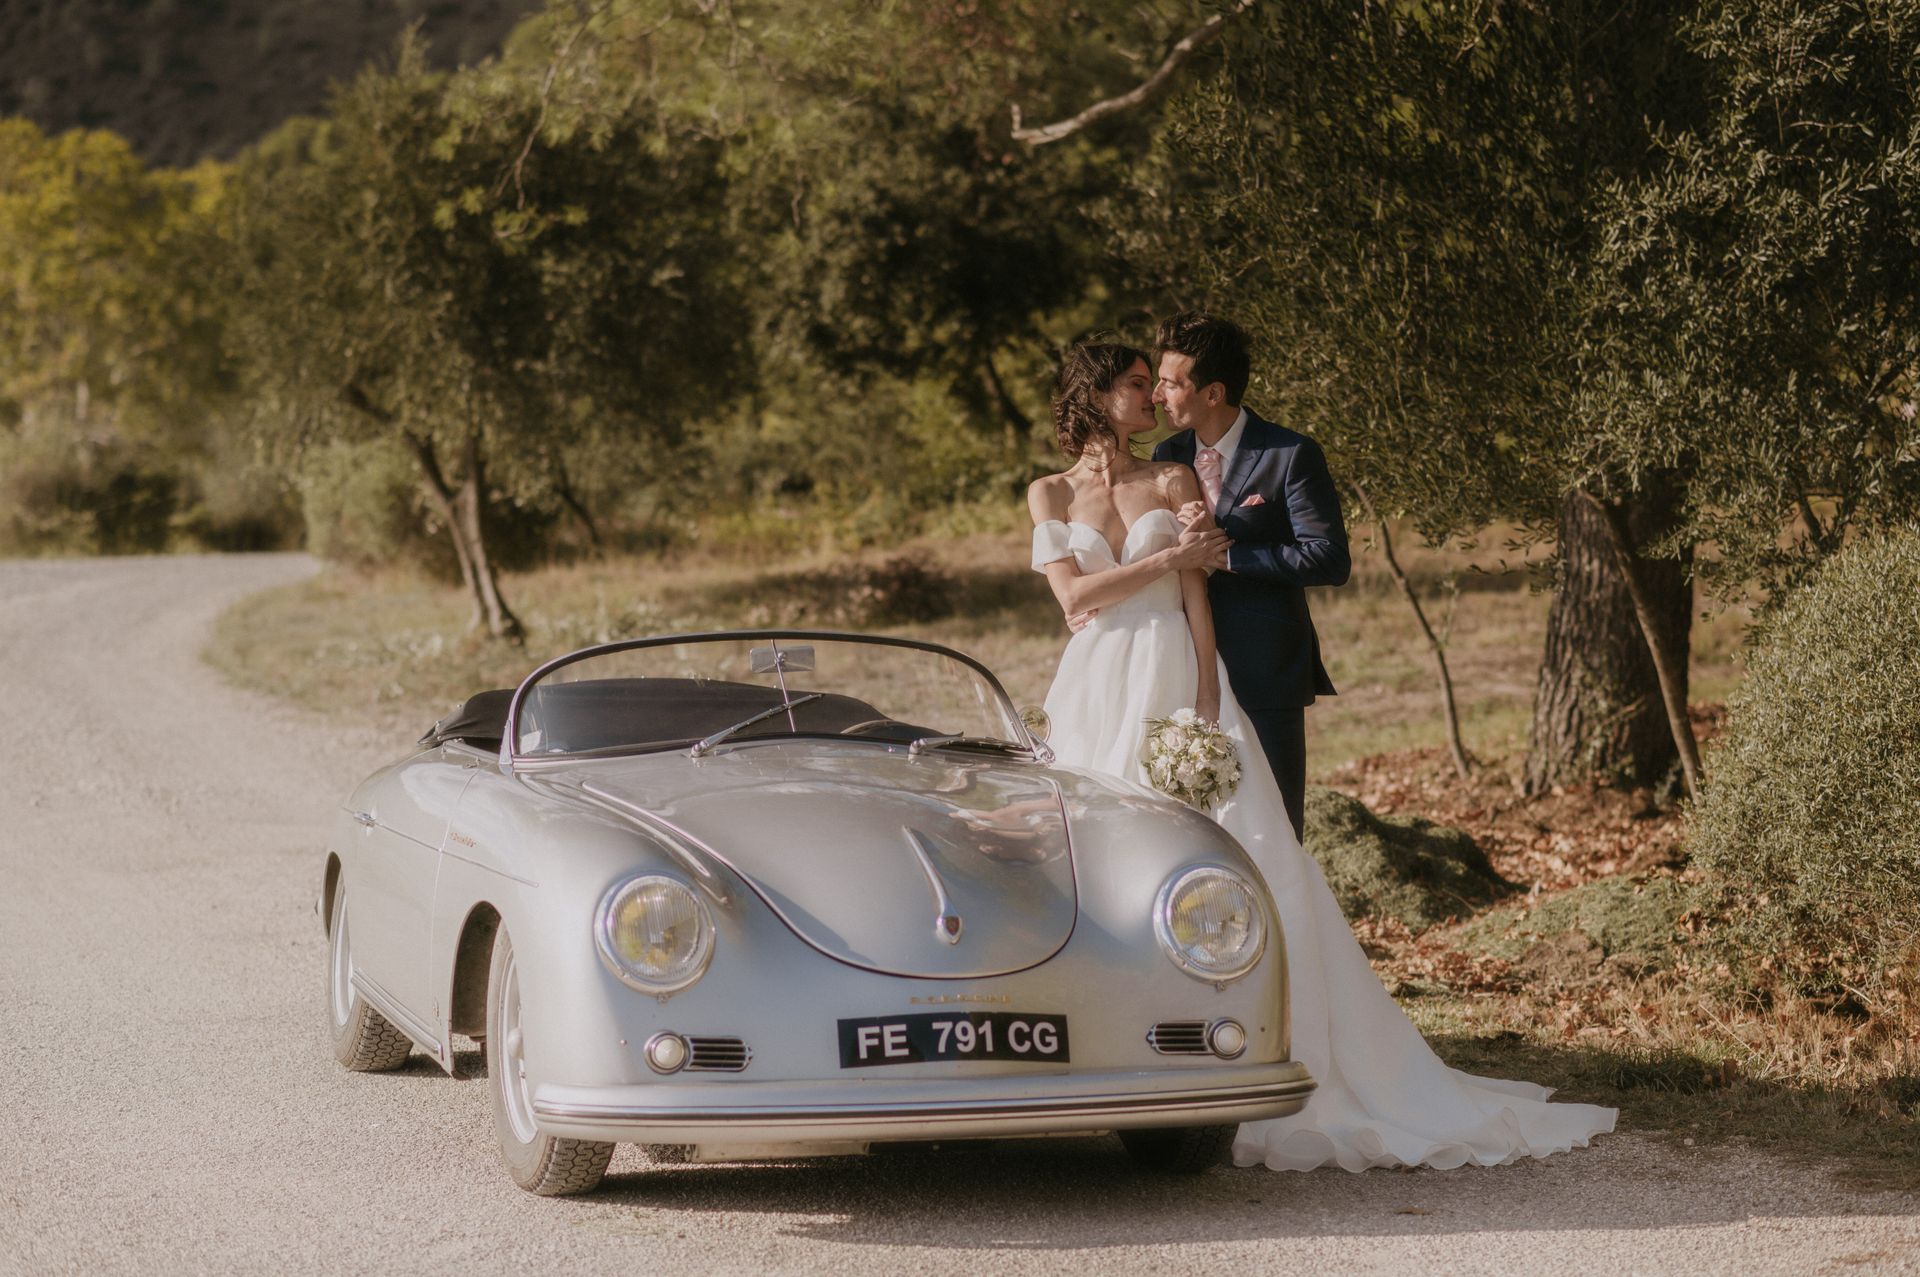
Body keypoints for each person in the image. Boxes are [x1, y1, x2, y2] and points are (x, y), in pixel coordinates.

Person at [1029, 339, 1615, 1172]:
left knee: (1252, 850)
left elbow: (1208, 593)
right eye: (1137, 384)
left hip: (1183, 675)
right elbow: (1076, 597)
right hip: (1095, 683)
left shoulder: (1178, 475)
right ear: (1095, 395)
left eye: (1161, 382)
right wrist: (1174, 554)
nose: (1154, 396)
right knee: (1093, 860)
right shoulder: (1053, 489)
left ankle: (1276, 1051)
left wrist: (1205, 700)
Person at [1150, 312, 1346, 842]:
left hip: (1267, 668)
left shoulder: (1290, 454)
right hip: (1183, 666)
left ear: (1213, 393)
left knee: (1276, 828)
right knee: (1195, 828)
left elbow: (1328, 558)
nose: (1156, 395)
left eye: (1171, 383)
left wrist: (1229, 557)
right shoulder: (1165, 457)